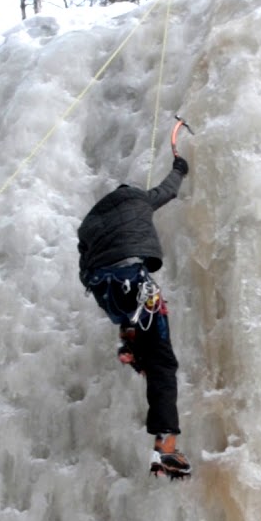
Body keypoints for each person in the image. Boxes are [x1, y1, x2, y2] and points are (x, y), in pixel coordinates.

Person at [78, 154, 191, 478]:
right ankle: (166, 447)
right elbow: (167, 190)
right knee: (163, 363)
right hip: (132, 278)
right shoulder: (139, 200)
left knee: (129, 313)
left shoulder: (90, 221)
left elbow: (83, 258)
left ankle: (129, 341)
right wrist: (180, 167)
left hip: (103, 288)